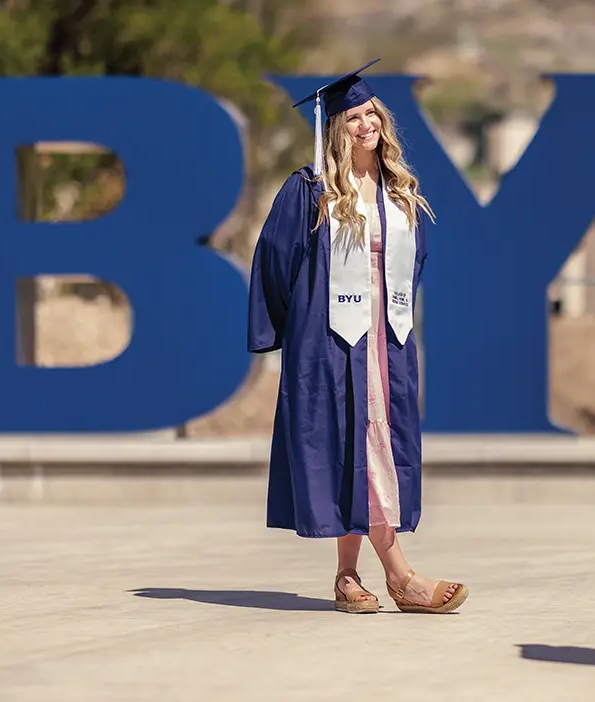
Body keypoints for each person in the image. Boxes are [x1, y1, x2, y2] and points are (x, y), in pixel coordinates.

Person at [247, 59, 467, 615]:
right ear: (335, 128)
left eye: (371, 113)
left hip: (385, 342)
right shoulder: (310, 190)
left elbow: (415, 266)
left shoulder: (399, 192)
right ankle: (403, 578)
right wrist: (292, 330)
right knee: (358, 449)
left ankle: (347, 578)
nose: (365, 124)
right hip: (329, 344)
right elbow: (274, 260)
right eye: (352, 117)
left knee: (370, 451)